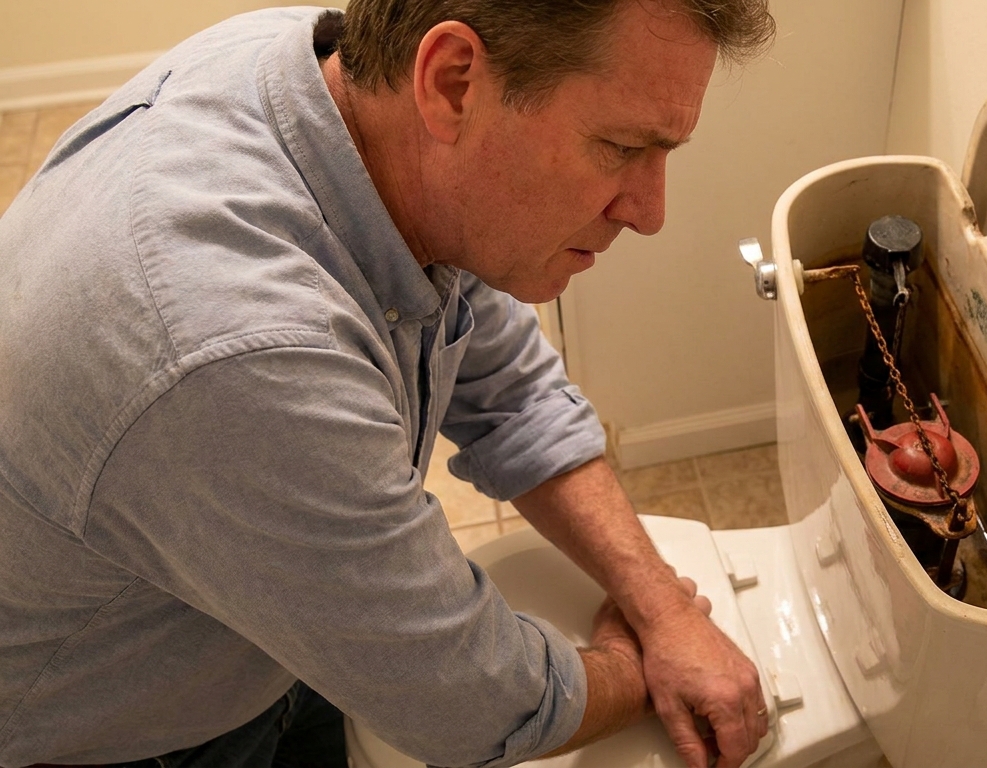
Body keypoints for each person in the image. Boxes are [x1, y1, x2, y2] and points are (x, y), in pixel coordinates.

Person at [0, 0, 775, 766]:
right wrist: (635, 665)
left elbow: (513, 396)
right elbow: (469, 702)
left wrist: (664, 610)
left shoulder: (333, 84)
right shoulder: (241, 355)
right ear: (452, 81)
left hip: (249, 629)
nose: (649, 212)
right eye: (621, 146)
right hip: (126, 732)